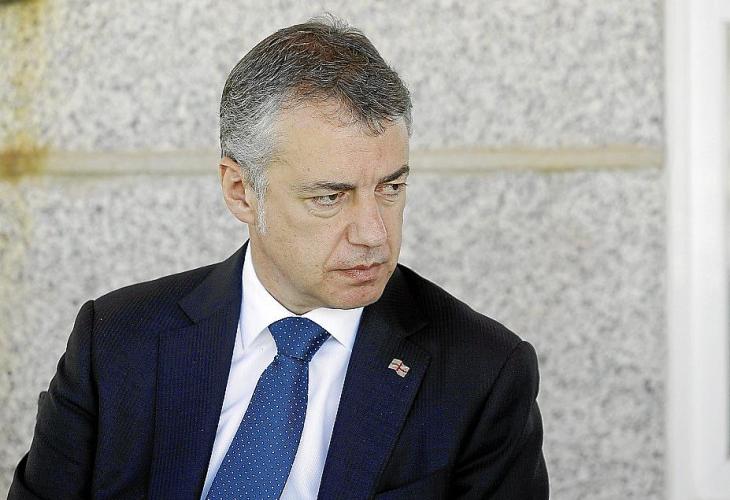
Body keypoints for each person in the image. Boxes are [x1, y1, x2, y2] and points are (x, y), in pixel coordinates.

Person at [9, 16, 548, 500]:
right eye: (329, 197)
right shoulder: (115, 340)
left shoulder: (483, 373)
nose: (373, 234)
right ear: (240, 191)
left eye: (391, 187)